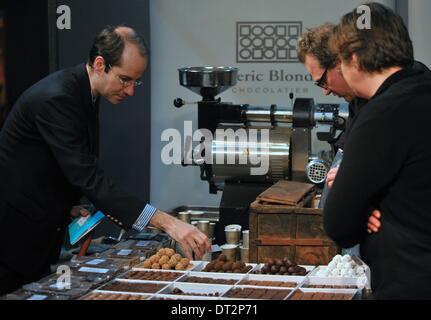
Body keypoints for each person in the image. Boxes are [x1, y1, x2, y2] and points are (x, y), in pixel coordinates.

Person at [0, 25, 211, 295]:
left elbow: (51, 163)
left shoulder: (84, 91)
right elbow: (87, 177)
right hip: (12, 243)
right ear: (100, 64)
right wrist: (169, 223)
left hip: (37, 235)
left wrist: (68, 205)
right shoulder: (58, 98)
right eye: (125, 79)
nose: (131, 91)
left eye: (136, 81)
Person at [324, 3, 431, 299]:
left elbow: (339, 222)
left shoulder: (382, 114)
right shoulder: (422, 85)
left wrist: (362, 205)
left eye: (340, 62)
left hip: (410, 281)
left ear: (355, 58)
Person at [297, 24, 378, 236]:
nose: (325, 92)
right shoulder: (357, 103)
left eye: (323, 81)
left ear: (340, 63)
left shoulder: (390, 103)